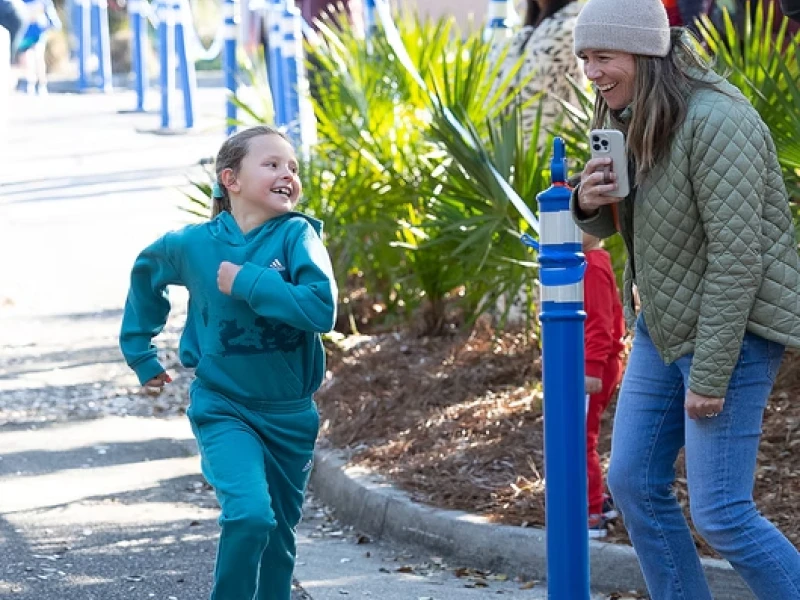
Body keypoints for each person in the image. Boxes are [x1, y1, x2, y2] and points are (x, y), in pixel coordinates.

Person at [570, 0, 800, 597]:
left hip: (734, 329)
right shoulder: (624, 109)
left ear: (647, 54)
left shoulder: (719, 120)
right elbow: (617, 227)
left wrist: (711, 376)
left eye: (604, 56)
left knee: (722, 512)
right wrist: (588, 203)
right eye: (586, 58)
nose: (592, 72)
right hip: (664, 322)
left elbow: (736, 257)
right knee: (633, 482)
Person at [119, 125, 337, 600]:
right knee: (249, 515)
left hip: (290, 415)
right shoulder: (193, 244)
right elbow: (146, 271)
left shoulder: (298, 235)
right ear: (230, 179)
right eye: (273, 164)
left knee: (277, 537)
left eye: (293, 167)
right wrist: (141, 352)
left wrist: (247, 281)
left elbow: (322, 309)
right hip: (223, 406)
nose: (288, 175)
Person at [490, 0, 585, 149]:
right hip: (510, 160)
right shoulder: (525, 34)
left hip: (553, 158)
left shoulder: (572, 29)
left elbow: (581, 100)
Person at [581, 231, 625, 539]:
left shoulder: (593, 266)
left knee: (580, 440)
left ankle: (591, 512)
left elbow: (600, 322)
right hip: (588, 366)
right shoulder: (586, 262)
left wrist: (592, 369)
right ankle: (601, 503)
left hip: (593, 369)